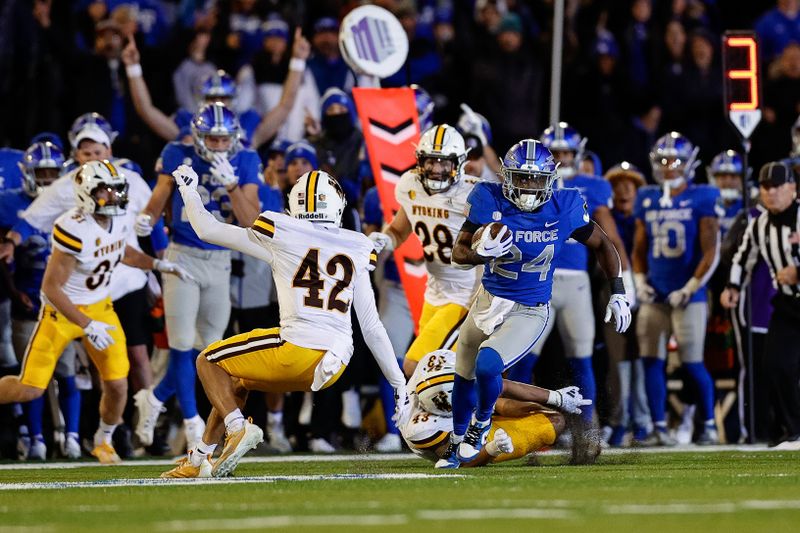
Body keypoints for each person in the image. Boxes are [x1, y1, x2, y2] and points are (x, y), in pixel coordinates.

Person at [159, 167, 408, 478]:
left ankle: (238, 429)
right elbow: (371, 325)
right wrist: (399, 383)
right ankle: (200, 458)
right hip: (336, 362)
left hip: (297, 349)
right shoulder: (357, 245)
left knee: (208, 362)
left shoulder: (282, 230)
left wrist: (189, 191)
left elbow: (208, 230)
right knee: (234, 380)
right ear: (339, 206)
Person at [437, 139, 631, 468]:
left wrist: (618, 290)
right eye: (522, 178)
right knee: (463, 375)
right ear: (507, 177)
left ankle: (479, 426)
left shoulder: (564, 206)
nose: (528, 187)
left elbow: (602, 243)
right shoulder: (489, 198)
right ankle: (455, 446)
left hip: (528, 308)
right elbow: (458, 253)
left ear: (550, 179)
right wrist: (479, 254)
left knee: (488, 365)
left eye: (535, 179)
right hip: (487, 301)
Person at [0, 160, 189, 463]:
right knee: (29, 388)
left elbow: (122, 251)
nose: (114, 197)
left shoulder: (121, 218)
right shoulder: (72, 227)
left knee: (117, 383)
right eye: (107, 191)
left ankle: (104, 439)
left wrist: (157, 264)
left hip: (101, 307)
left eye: (117, 190)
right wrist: (87, 324)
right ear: (87, 193)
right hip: (62, 313)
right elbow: (51, 289)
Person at [133, 102, 262, 451]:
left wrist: (233, 185)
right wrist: (147, 218)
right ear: (198, 136)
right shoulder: (177, 151)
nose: (219, 146)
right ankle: (192, 424)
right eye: (212, 139)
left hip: (221, 259)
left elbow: (252, 221)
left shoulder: (247, 160)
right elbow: (159, 197)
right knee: (179, 344)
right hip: (183, 256)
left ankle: (156, 398)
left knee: (206, 351)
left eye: (224, 140)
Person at [507, 123, 633, 426]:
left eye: (567, 152)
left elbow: (605, 236)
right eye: (557, 152)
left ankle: (586, 427)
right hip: (536, 282)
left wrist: (622, 283)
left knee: (581, 354)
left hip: (575, 282)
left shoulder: (585, 189)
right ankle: (516, 422)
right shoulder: (526, 184)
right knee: (524, 356)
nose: (563, 157)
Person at [368, 124, 480, 377]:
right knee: (441, 373)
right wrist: (382, 241)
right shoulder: (410, 185)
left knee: (415, 366)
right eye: (430, 161)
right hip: (434, 292)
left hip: (465, 295)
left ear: (459, 163)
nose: (435, 169)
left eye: (443, 163)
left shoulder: (474, 194)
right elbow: (398, 231)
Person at [633, 132, 721, 446]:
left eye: (676, 161)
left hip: (689, 294)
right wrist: (639, 281)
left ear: (690, 164)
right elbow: (639, 247)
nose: (670, 167)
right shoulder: (647, 196)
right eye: (664, 161)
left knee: (693, 362)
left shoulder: (703, 196)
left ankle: (708, 423)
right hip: (655, 293)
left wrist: (692, 286)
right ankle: (659, 427)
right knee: (650, 360)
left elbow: (712, 250)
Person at [0, 141, 82, 460]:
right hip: (30, 303)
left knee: (66, 373)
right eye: (41, 173)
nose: (47, 180)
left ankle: (72, 436)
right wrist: (13, 292)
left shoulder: (76, 206)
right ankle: (36, 438)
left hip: (63, 306)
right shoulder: (11, 206)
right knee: (31, 378)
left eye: (52, 173)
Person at [122, 29, 310, 149]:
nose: (218, 103)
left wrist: (298, 61)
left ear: (233, 99)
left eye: (223, 97)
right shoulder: (188, 124)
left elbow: (285, 106)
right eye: (212, 98)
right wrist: (133, 68)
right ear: (202, 100)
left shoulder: (246, 124)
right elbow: (146, 110)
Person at [401, 350, 591, 465]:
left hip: (469, 415)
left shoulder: (436, 363)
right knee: (554, 423)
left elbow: (502, 387)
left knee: (549, 414)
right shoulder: (420, 428)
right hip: (459, 443)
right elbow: (456, 461)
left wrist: (556, 397)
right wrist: (493, 448)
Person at [724, 161, 800, 449]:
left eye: (777, 187)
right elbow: (743, 258)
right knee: (774, 364)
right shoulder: (760, 224)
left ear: (792, 188)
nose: (770, 193)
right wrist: (732, 287)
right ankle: (793, 430)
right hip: (787, 303)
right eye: (765, 187)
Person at [603, 162, 652, 446]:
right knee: (618, 357)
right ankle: (618, 420)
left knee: (642, 357)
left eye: (629, 185)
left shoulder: (646, 216)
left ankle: (643, 420)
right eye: (618, 184)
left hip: (646, 292)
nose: (623, 190)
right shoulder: (607, 217)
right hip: (615, 291)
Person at [707, 150, 745, 237]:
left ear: (742, 179)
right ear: (713, 178)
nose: (728, 182)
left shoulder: (751, 204)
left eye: (733, 176)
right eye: (723, 176)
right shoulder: (706, 204)